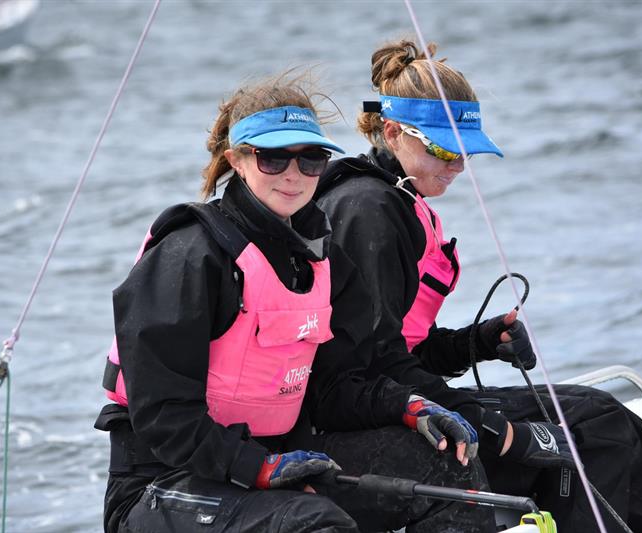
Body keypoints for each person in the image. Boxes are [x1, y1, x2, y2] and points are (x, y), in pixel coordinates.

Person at [314, 39, 642, 532]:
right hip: (357, 419)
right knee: (591, 429)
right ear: (392, 132)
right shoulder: (370, 212)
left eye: (466, 153)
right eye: (444, 150)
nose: (457, 166)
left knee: (597, 413)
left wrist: (478, 342)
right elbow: (359, 368)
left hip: (388, 394)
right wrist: (482, 421)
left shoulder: (395, 200)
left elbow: (395, 348)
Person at [94, 72, 498, 533]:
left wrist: (410, 406)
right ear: (238, 160)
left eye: (311, 159)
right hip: (165, 481)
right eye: (272, 159)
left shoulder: (326, 263)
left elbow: (333, 388)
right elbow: (163, 417)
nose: (294, 174)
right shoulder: (190, 256)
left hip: (279, 460)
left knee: (450, 470)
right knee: (312, 524)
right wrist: (258, 469)